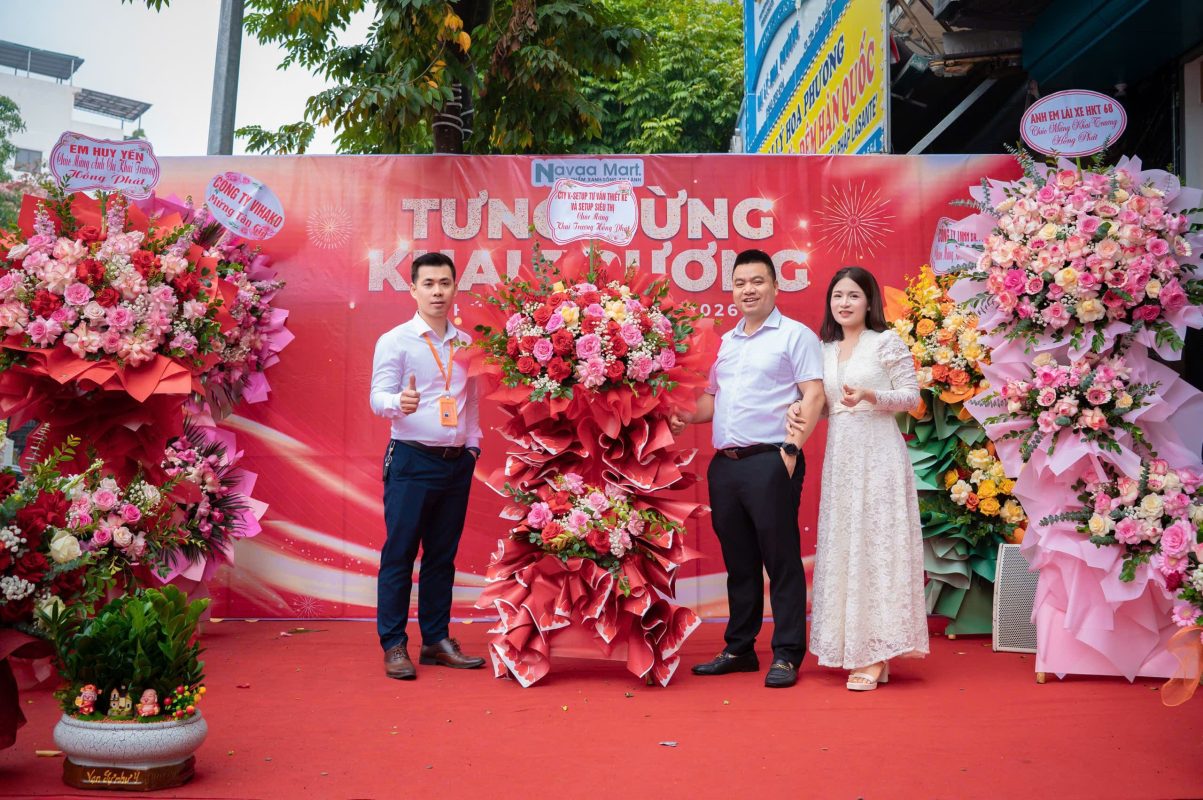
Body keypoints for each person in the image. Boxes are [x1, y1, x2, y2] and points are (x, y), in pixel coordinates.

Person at [669, 249, 825, 688]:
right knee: (739, 562)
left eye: (757, 281)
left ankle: (787, 653)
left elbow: (814, 394)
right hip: (727, 466)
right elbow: (711, 401)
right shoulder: (726, 343)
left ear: (775, 286)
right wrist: (682, 415)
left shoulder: (795, 336)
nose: (748, 290)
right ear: (732, 290)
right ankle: (739, 648)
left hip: (771, 460)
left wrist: (791, 450)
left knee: (781, 560)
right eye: (740, 283)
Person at [787, 266, 928, 691]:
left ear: (869, 302)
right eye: (837, 296)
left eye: (853, 295)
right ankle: (858, 647)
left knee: (879, 547)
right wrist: (798, 409)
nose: (844, 303)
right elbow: (825, 405)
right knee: (848, 548)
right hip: (842, 460)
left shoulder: (885, 342)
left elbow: (912, 397)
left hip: (880, 456)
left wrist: (872, 395)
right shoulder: (824, 349)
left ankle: (878, 652)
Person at [369, 252, 486, 680]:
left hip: (456, 464)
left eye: (445, 283)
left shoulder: (466, 343)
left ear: (455, 288)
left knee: (442, 556)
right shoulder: (395, 340)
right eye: (429, 284)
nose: (438, 292)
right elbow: (377, 396)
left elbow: (471, 402)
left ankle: (436, 640)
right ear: (413, 289)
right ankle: (394, 644)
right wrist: (398, 402)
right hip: (412, 459)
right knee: (400, 553)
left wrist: (472, 447)